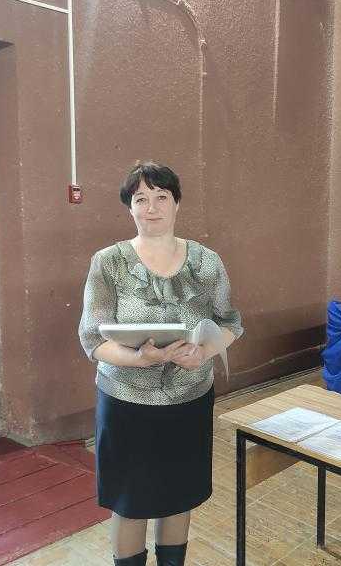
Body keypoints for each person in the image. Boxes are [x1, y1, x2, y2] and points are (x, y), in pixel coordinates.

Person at [78, 161, 243, 566]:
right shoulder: (108, 262)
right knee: (130, 500)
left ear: (176, 203)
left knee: (177, 495)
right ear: (129, 208)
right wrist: (139, 358)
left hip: (189, 400)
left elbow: (230, 324)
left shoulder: (207, 262)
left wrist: (203, 352)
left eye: (161, 197)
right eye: (141, 199)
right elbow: (93, 339)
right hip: (126, 403)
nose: (151, 208)